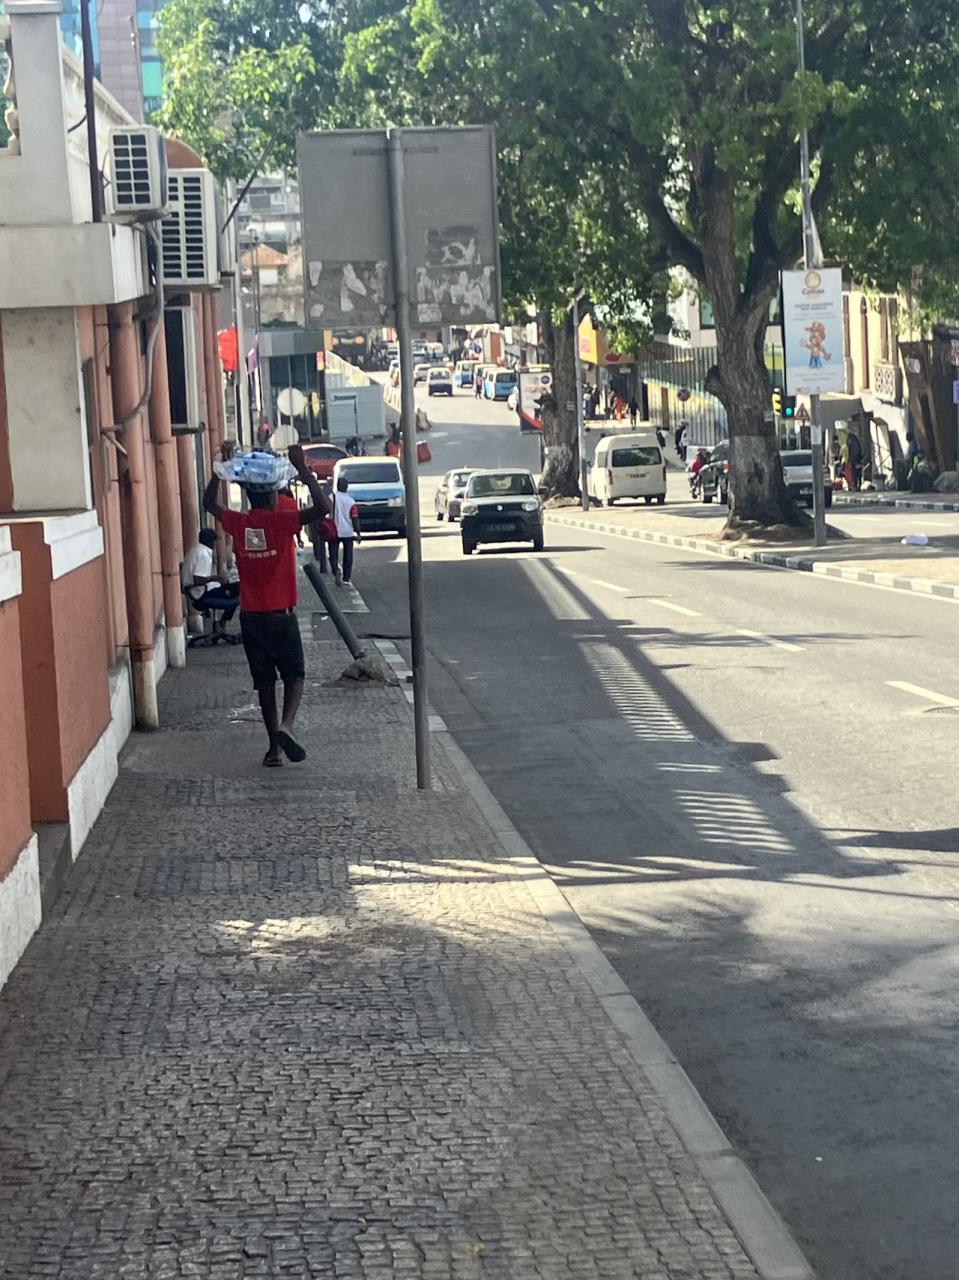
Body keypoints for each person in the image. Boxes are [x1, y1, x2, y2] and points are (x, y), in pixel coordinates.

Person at [203, 444, 331, 768]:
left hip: (251, 618)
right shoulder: (282, 522)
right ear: (274, 495)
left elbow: (209, 503)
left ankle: (274, 748)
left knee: (264, 684)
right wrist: (303, 469)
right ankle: (287, 725)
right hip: (281, 616)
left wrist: (221, 469)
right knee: (295, 675)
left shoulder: (238, 523)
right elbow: (323, 507)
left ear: (248, 496)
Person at [181, 528, 239, 634]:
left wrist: (216, 578)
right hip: (200, 593)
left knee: (234, 586)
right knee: (237, 593)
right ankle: (222, 623)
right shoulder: (204, 555)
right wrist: (216, 578)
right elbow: (198, 579)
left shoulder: (195, 551)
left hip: (195, 591)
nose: (216, 545)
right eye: (215, 542)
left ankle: (221, 624)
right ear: (211, 543)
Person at [328, 476, 362, 586]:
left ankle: (335, 570)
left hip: (333, 530)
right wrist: (358, 533)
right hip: (348, 532)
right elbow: (355, 517)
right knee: (348, 555)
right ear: (346, 488)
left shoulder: (331, 497)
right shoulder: (351, 501)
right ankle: (346, 577)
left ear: (337, 486)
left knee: (333, 554)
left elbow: (326, 510)